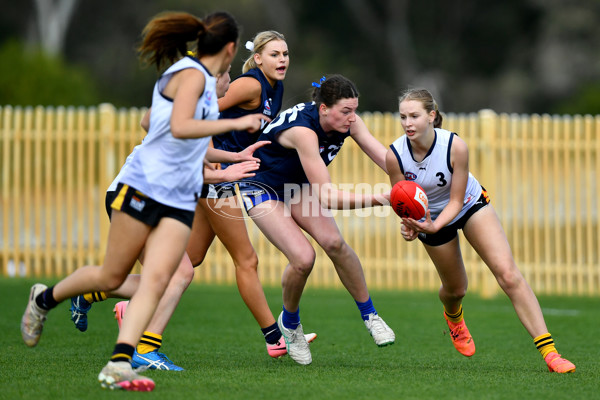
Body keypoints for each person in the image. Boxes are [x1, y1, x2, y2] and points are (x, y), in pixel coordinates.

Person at [20, 11, 270, 391]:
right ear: (231, 48)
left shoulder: (203, 85)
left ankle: (120, 363)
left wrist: (232, 161)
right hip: (141, 188)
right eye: (233, 67)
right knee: (112, 276)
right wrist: (236, 124)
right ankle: (44, 297)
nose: (233, 77)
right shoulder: (191, 75)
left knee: (166, 277)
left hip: (176, 197)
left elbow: (195, 147)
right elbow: (178, 127)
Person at [68, 31, 315, 370]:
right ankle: (275, 337)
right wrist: (209, 157)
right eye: (275, 54)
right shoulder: (250, 85)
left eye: (286, 53)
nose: (283, 59)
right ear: (257, 58)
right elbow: (197, 119)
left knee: (188, 261)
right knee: (245, 260)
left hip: (213, 176)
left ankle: (97, 293)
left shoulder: (273, 87)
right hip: (203, 181)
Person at [386, 88, 575, 373]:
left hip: (468, 204)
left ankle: (551, 353)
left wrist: (435, 225)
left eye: (414, 116)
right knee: (456, 289)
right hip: (430, 218)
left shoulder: (455, 146)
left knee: (508, 274)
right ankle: (454, 317)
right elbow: (402, 197)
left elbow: (457, 200)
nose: (408, 123)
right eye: (403, 117)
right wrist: (409, 225)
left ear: (432, 116)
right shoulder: (395, 155)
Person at [239, 74, 396, 365]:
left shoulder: (349, 121)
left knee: (334, 242)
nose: (352, 118)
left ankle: (370, 315)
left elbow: (384, 157)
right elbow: (327, 196)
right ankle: (291, 325)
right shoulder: (304, 132)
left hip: (295, 184)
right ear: (324, 108)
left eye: (355, 110)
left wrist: (411, 182)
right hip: (261, 186)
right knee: (303, 257)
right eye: (346, 111)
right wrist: (381, 197)